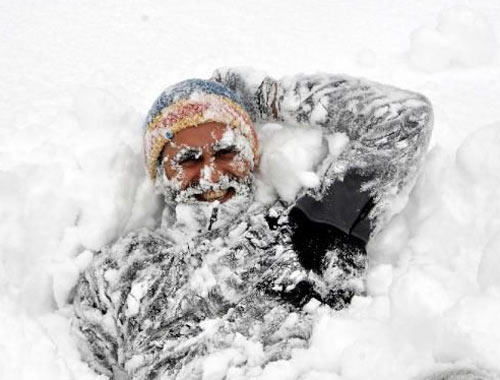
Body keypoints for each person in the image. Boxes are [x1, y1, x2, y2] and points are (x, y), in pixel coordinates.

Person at [73, 68, 433, 379]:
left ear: (251, 155)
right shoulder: (121, 268)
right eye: (189, 160)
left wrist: (267, 97)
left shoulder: (310, 222)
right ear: (159, 174)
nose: (212, 175)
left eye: (227, 152)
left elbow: (404, 119)